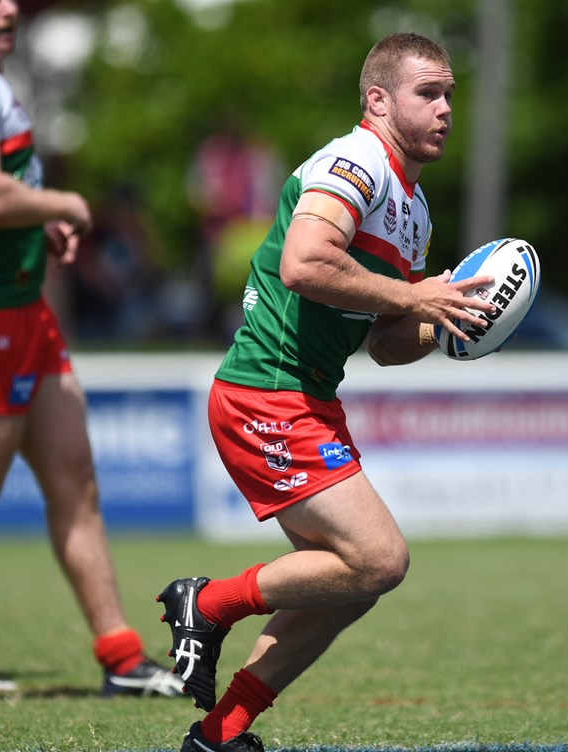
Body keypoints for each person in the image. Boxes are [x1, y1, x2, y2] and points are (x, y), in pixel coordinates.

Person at [157, 31, 495, 752]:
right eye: (428, 93)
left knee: (353, 584)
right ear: (379, 100)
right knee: (380, 559)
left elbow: (385, 344)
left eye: (450, 95)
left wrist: (447, 323)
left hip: (307, 399)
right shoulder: (357, 161)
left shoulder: (415, 209)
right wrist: (415, 296)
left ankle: (219, 734)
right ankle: (207, 603)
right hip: (266, 392)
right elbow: (305, 263)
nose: (445, 109)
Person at [0, 0, 184, 699]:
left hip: (27, 314)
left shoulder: (5, 81)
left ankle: (121, 658)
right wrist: (63, 206)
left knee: (75, 480)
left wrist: (35, 224)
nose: (9, 8)